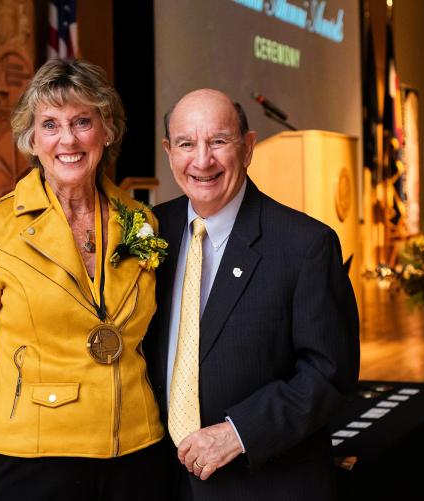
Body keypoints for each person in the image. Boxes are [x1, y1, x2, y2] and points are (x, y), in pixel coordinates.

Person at [0, 59, 168, 501]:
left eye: (82, 121)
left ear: (106, 130)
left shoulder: (141, 223)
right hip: (32, 459)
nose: (68, 139)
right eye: (50, 125)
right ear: (32, 140)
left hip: (138, 452)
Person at [145, 89, 360, 500]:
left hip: (265, 483)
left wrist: (238, 433)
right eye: (187, 144)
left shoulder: (305, 245)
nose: (202, 160)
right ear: (169, 152)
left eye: (219, 141)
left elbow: (331, 375)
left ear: (248, 148)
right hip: (164, 483)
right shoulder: (152, 231)